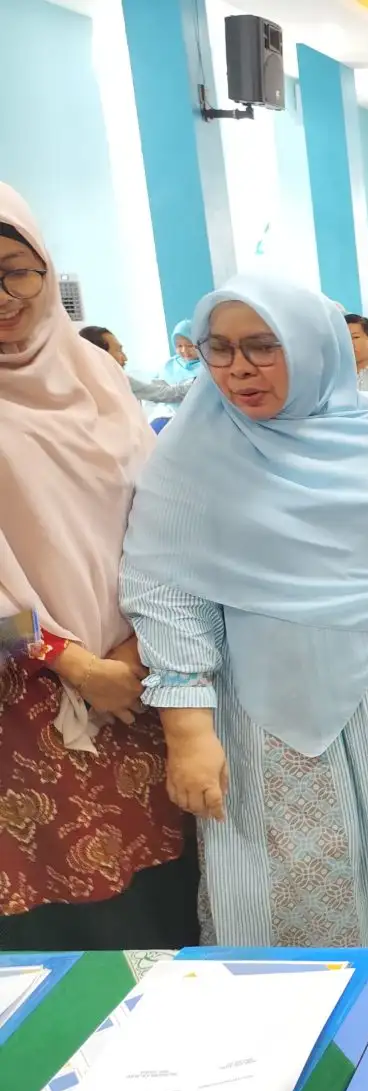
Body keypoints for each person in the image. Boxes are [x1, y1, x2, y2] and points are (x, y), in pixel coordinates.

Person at [119, 273, 368, 953]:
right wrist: (188, 732)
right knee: (280, 892)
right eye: (218, 349)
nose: (238, 369)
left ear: (312, 348)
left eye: (262, 346)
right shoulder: (192, 453)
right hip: (263, 712)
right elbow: (164, 587)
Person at [0, 183, 198, 951]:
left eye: (15, 269)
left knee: (165, 911)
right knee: (69, 937)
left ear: (45, 268)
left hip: (143, 679)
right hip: (27, 705)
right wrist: (71, 662)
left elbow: (162, 518)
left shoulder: (96, 374)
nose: (4, 296)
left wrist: (134, 647)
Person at [159, 319, 202, 386]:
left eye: (190, 345)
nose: (184, 350)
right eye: (179, 346)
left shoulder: (206, 366)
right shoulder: (170, 364)